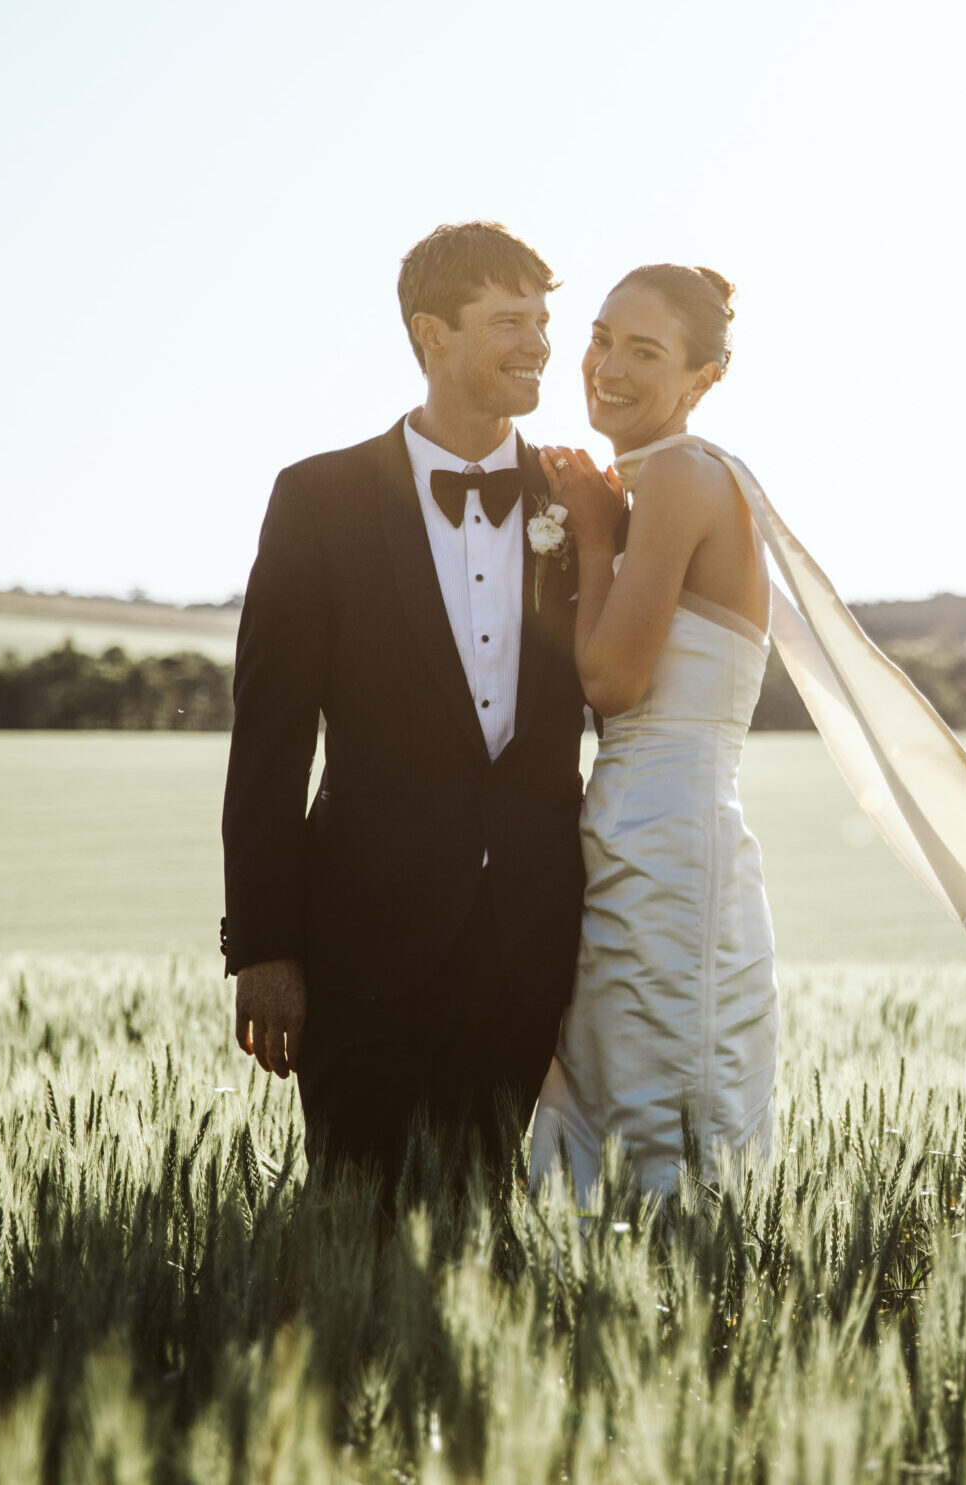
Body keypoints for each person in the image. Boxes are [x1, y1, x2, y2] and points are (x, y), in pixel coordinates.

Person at [221, 221, 590, 1199]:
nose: (539, 344)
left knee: (488, 1230)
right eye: (509, 321)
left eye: (543, 321)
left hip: (530, 948)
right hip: (364, 946)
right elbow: (269, 740)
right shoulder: (319, 499)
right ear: (432, 333)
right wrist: (264, 946)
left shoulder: (581, 500)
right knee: (355, 1214)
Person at [529, 265, 779, 1201]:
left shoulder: (680, 475)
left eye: (644, 351)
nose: (607, 368)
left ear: (701, 379)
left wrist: (596, 536)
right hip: (633, 832)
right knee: (614, 1102)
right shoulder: (662, 480)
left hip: (669, 849)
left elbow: (612, 680)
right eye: (601, 339)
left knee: (657, 1114)